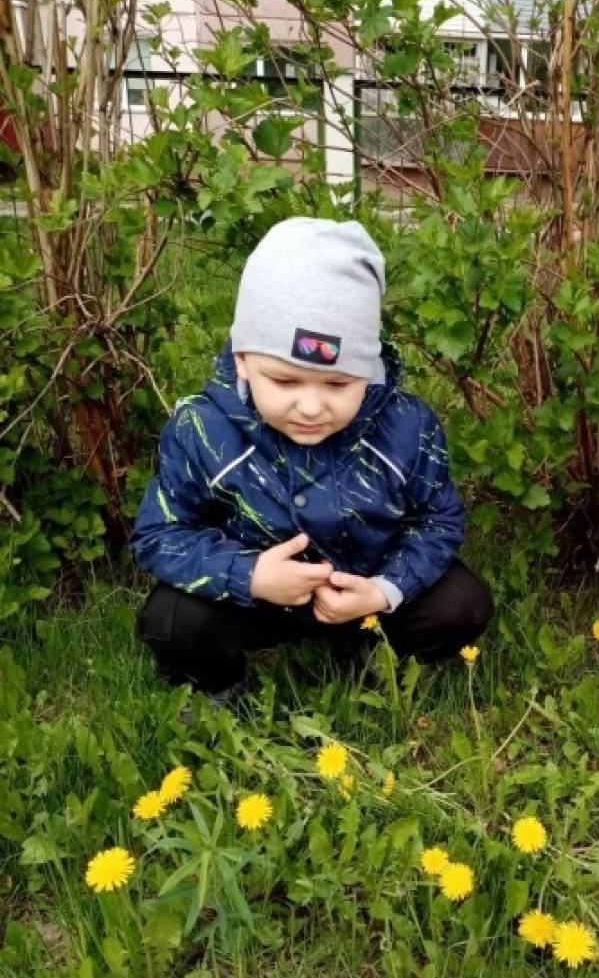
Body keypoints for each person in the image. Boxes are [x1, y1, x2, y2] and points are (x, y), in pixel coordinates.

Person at [131, 217, 493, 703]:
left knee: (462, 606)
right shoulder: (201, 429)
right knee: (173, 620)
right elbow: (159, 535)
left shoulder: (408, 425)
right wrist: (250, 576)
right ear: (242, 359)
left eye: (338, 385)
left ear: (368, 370)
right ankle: (218, 685)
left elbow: (439, 520)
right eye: (283, 382)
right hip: (255, 600)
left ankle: (373, 654)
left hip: (364, 589)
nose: (310, 406)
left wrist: (385, 590)